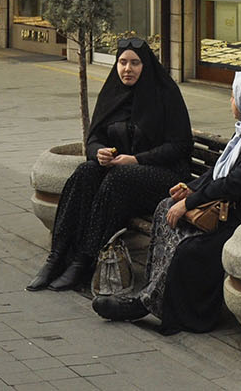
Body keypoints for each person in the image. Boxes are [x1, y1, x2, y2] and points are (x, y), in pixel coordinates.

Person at [92, 70, 241, 333]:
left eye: (235, 96)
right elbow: (220, 171)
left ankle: (169, 312)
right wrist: (189, 189)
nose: (231, 101)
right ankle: (151, 296)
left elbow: (236, 183)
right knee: (164, 209)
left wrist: (191, 202)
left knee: (191, 249)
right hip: (237, 206)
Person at [28, 37, 192, 292]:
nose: (128, 69)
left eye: (135, 63)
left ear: (145, 65)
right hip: (123, 173)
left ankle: (83, 261)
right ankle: (57, 257)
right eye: (123, 62)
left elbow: (180, 146)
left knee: (119, 177)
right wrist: (99, 152)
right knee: (86, 171)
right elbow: (94, 137)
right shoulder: (112, 92)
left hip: (165, 177)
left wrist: (137, 159)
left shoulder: (165, 94)